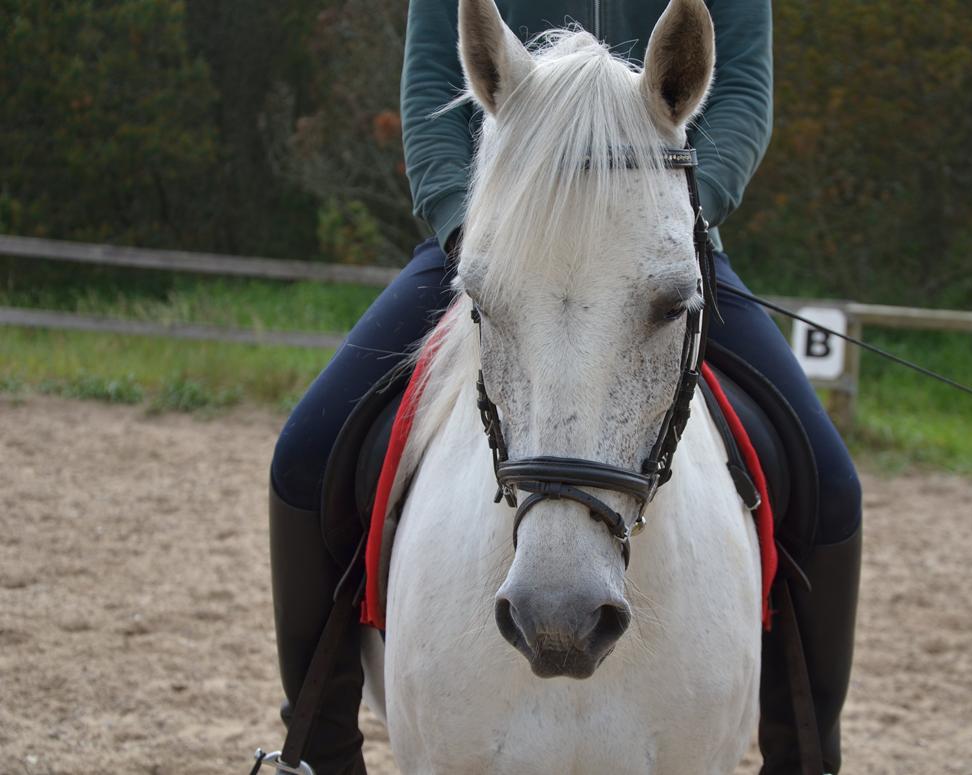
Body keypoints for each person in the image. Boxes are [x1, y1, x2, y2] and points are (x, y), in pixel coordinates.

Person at [267, 1, 862, 773]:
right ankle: (319, 751)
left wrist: (678, 209)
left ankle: (804, 755)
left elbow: (742, 89)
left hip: (653, 233)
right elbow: (431, 100)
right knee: (307, 455)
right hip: (504, 237)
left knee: (829, 482)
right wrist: (472, 225)